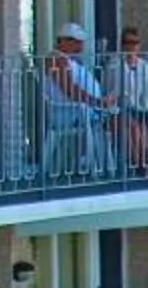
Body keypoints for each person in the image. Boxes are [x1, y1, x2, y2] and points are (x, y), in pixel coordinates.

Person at [40, 24, 110, 175]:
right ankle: (128, 164)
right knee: (122, 119)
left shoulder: (69, 59)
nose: (81, 45)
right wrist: (98, 102)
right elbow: (70, 89)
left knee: (125, 118)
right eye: (76, 41)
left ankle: (106, 162)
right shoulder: (56, 59)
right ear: (64, 41)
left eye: (81, 41)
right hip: (70, 112)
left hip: (84, 110)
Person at [112, 26, 148, 171]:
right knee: (136, 126)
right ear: (122, 45)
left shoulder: (145, 66)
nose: (131, 46)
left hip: (139, 106)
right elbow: (112, 91)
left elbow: (145, 91)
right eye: (128, 43)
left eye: (135, 42)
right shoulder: (114, 64)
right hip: (121, 107)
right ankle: (142, 161)